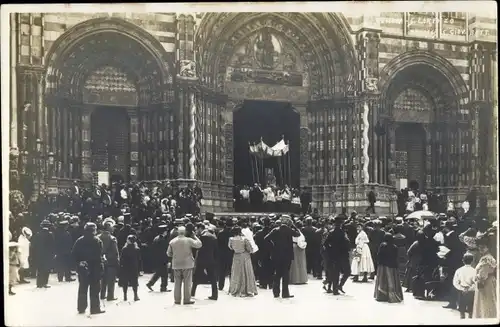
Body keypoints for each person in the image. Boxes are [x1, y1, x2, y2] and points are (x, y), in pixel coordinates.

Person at [72, 222, 105, 315]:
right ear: (94, 231)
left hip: (83, 268)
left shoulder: (79, 241)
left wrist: (79, 264)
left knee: (82, 288)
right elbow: (99, 256)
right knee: (95, 289)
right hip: (94, 269)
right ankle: (94, 308)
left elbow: (74, 254)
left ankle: (81, 308)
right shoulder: (97, 241)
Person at [264, 216, 301, 298]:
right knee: (285, 274)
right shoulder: (289, 230)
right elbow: (298, 234)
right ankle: (285, 293)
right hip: (287, 255)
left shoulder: (275, 230)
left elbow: (266, 238)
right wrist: (294, 226)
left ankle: (276, 293)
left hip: (276, 255)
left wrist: (273, 245)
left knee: (277, 274)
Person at [167, 226, 202, 305]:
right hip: (187, 264)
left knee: (177, 283)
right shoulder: (189, 240)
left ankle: (177, 300)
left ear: (178, 232)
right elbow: (199, 245)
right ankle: (187, 300)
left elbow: (168, 253)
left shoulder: (172, 241)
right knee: (187, 282)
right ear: (185, 232)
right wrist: (195, 236)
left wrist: (175, 255)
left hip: (176, 264)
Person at [228, 226, 258, 297]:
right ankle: (248, 289)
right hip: (245, 257)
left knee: (236, 273)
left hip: (236, 256)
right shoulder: (244, 239)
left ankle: (235, 289)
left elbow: (230, 247)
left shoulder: (231, 239)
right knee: (246, 272)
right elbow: (250, 249)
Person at [325, 216, 351, 295]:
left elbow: (325, 244)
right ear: (341, 224)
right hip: (343, 255)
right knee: (347, 271)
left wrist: (331, 250)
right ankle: (340, 285)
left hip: (334, 255)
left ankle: (335, 289)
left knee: (336, 272)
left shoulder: (331, 232)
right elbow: (347, 244)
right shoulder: (343, 233)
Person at [374, 233, 404, 303]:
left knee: (382, 281)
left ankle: (382, 296)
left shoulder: (382, 245)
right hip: (393, 266)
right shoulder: (395, 247)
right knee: (392, 281)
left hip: (383, 266)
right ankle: (392, 295)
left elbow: (379, 255)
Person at [472, 236, 497, 319]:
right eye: (479, 247)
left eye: (483, 247)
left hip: (485, 283)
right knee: (487, 302)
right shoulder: (487, 257)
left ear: (488, 248)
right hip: (487, 281)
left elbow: (483, 273)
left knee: (485, 302)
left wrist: (477, 279)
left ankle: (486, 318)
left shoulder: (486, 259)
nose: (481, 249)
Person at [191, 225, 218, 300]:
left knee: (196, 277)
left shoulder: (202, 236)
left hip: (202, 259)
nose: (196, 231)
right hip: (211, 259)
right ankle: (215, 295)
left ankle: (192, 293)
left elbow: (198, 247)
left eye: (197, 229)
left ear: (200, 228)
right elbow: (216, 250)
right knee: (213, 278)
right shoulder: (213, 236)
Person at [98, 218, 120, 301]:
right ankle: (110, 296)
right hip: (111, 261)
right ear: (109, 228)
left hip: (101, 261)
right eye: (112, 227)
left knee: (103, 279)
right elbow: (115, 252)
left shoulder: (98, 237)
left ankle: (102, 295)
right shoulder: (112, 238)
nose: (113, 228)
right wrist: (117, 261)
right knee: (111, 280)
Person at [31, 219, 55, 288]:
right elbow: (52, 246)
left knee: (40, 269)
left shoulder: (38, 234)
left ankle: (39, 283)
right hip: (47, 255)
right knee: (46, 269)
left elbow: (34, 246)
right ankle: (45, 283)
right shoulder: (50, 234)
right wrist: (52, 254)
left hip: (39, 255)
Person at [147, 224, 171, 292]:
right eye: (166, 231)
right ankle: (163, 287)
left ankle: (150, 283)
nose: (166, 232)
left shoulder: (156, 238)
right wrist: (167, 260)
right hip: (162, 259)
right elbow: (164, 251)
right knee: (165, 274)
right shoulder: (162, 240)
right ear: (164, 232)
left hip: (157, 259)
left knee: (159, 272)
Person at [452, 253, 476, 319]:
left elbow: (455, 282)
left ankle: (462, 320)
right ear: (472, 261)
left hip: (461, 292)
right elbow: (476, 283)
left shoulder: (459, 270)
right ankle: (470, 321)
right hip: (471, 292)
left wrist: (462, 288)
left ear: (463, 260)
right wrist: (469, 289)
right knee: (470, 309)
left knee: (461, 309)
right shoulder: (474, 271)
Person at [119, 235, 141, 301]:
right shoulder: (137, 249)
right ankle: (135, 295)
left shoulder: (124, 249)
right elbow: (139, 260)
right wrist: (140, 269)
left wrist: (120, 267)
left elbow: (121, 259)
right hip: (134, 267)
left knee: (125, 282)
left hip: (125, 267)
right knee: (134, 282)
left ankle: (125, 296)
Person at [217, 219, 234, 291]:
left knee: (222, 271)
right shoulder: (233, 233)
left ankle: (221, 286)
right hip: (231, 254)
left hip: (222, 254)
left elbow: (218, 245)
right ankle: (232, 286)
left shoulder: (220, 233)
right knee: (231, 271)